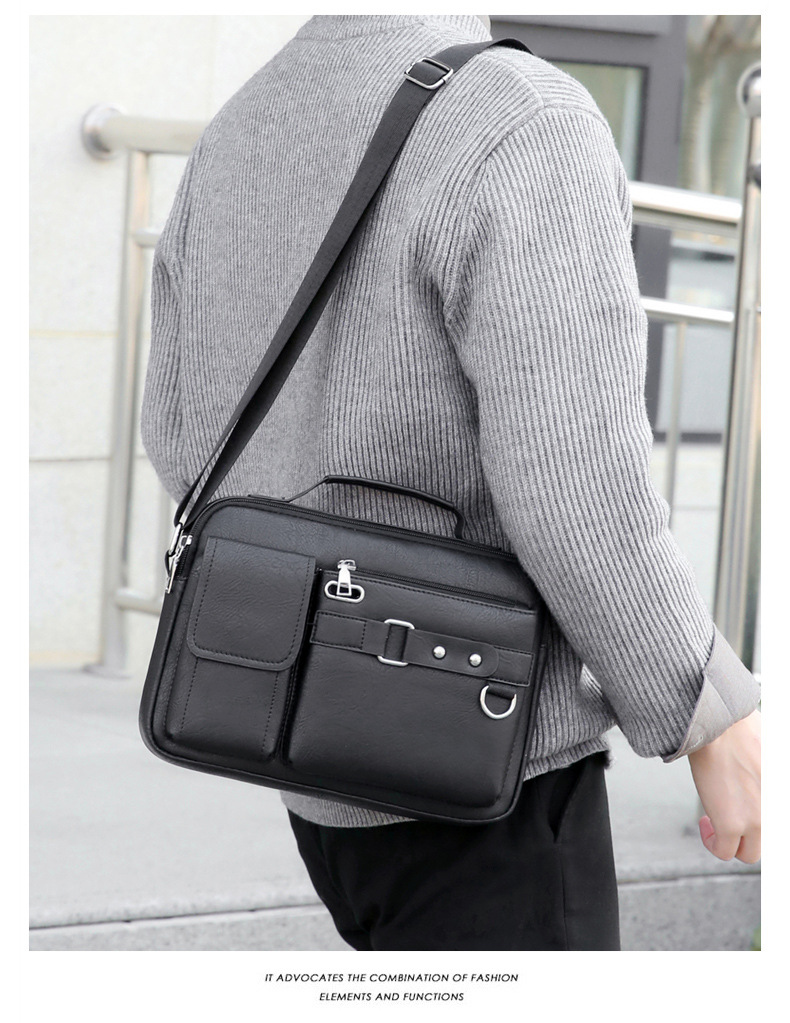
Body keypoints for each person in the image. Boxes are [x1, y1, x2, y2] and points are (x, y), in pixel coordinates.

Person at [141, 15, 761, 951]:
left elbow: (178, 432)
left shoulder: (247, 116)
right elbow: (577, 485)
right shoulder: (521, 118)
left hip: (311, 766)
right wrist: (710, 715)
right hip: (485, 769)